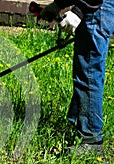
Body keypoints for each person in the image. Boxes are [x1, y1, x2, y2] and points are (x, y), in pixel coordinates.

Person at [40, 0, 114, 155]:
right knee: (85, 70)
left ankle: (91, 139)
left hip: (97, 8)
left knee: (89, 72)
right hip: (97, 7)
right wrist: (59, 4)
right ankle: (77, 124)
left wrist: (79, 11)